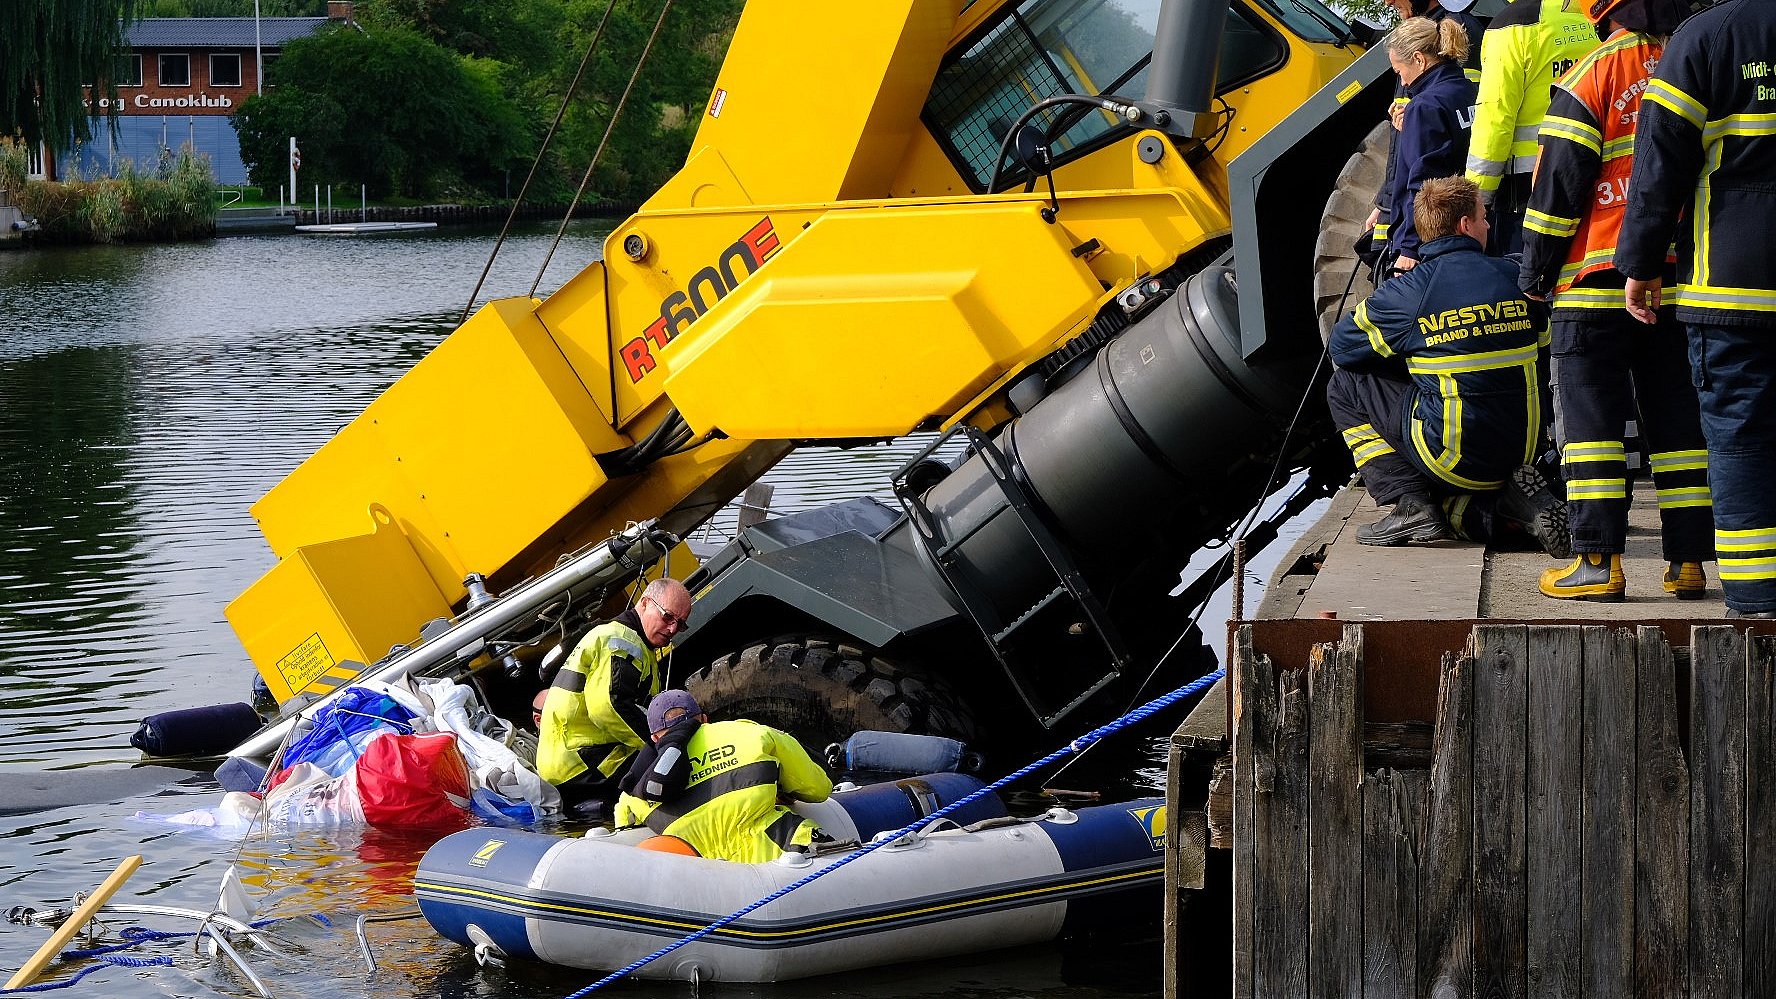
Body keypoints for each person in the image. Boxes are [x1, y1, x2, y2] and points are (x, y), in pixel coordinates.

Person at [1519, 0, 1710, 601]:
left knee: (1593, 427)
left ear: (1600, 13)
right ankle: (1688, 563)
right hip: (1679, 277)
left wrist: (1534, 274)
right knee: (1680, 429)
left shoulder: (1591, 76)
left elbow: (1558, 190)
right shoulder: (1696, 61)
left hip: (1593, 278)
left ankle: (1598, 561)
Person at [1616, 0, 1776, 617]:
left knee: (1740, 435)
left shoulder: (1706, 38)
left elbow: (1661, 167)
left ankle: (1760, 598)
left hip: (1733, 284)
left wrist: (1641, 262)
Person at [1328, 175, 1568, 554]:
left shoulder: (1408, 292)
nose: (1488, 224)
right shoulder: (1516, 277)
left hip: (1453, 457)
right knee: (1452, 503)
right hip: (1523, 448)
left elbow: (1341, 349)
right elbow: (1544, 353)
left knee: (1344, 385)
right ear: (1464, 225)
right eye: (1483, 216)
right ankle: (1515, 507)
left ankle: (1408, 501)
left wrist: (1406, 340)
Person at [615, 690, 834, 863]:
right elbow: (819, 790)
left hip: (712, 887)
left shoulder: (634, 792)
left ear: (654, 737)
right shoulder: (755, 734)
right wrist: (778, 788)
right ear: (703, 719)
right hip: (786, 856)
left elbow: (626, 845)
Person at [535, 577, 694, 810]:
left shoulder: (629, 641)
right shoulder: (622, 641)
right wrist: (661, 745)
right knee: (674, 776)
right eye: (667, 617)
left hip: (573, 761)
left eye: (680, 624)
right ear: (644, 603)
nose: (672, 629)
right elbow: (609, 706)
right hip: (582, 763)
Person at [1465, 0, 1598, 255]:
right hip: (1597, 177)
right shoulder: (1592, 13)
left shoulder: (1511, 26)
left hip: (1528, 192)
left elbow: (1494, 121)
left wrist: (1476, 201)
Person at [1369, 0, 1484, 254]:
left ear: (1419, 60)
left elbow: (1421, 186)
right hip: (1468, 224)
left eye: (1399, 71)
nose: (1403, 81)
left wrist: (1409, 249)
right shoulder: (1468, 90)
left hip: (1432, 239)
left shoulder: (1423, 107)